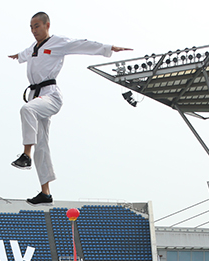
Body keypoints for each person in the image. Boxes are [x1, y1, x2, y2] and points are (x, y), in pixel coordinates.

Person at [8, 11, 131, 205]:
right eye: (31, 27)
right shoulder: (33, 47)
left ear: (47, 25)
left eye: (37, 26)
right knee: (42, 145)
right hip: (35, 95)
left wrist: (108, 48)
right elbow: (25, 54)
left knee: (27, 110)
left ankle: (25, 155)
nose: (33, 30)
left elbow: (82, 44)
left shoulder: (58, 42)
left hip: (50, 95)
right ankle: (45, 193)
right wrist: (18, 56)